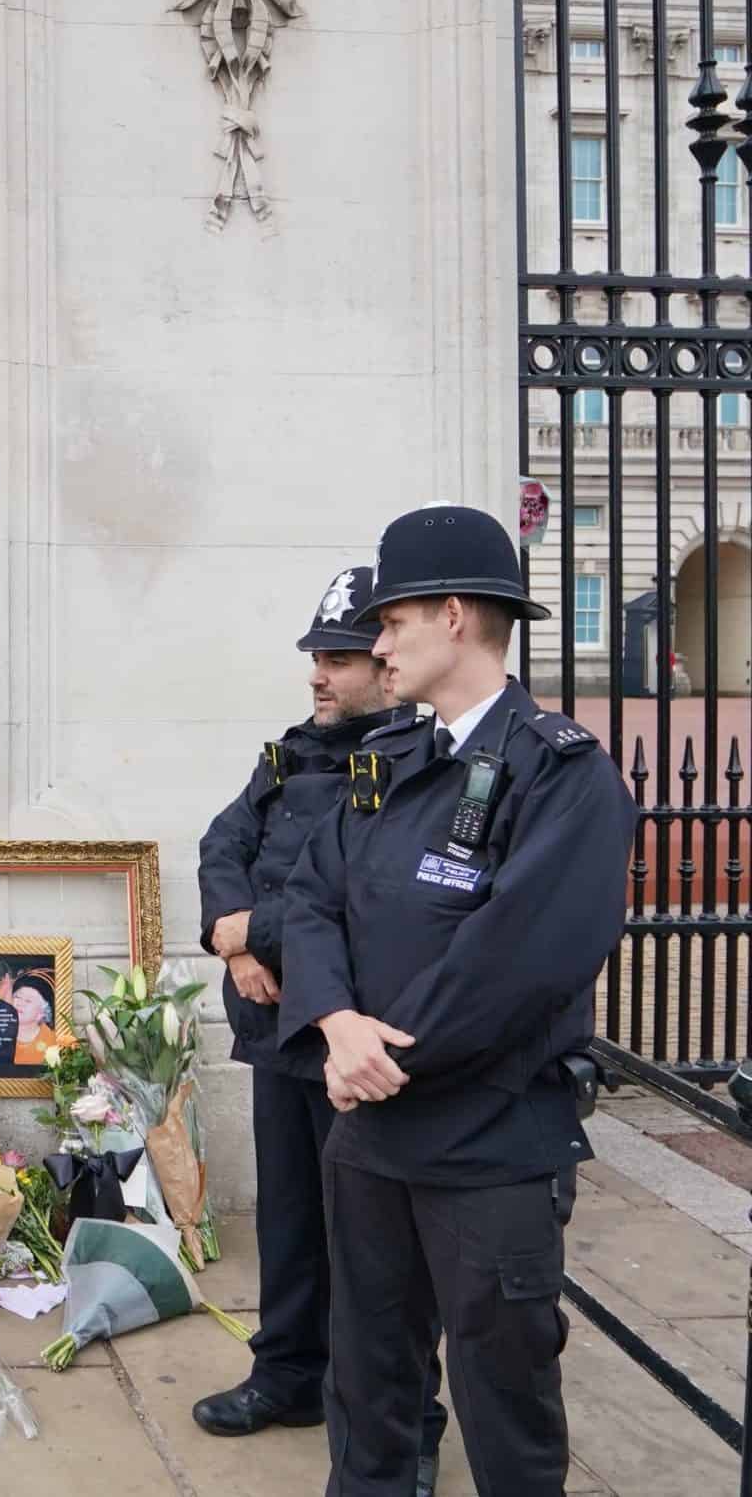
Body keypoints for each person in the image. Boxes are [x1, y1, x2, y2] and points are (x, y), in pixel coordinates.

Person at [279, 506, 636, 1497]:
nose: (374, 644)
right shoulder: (392, 756)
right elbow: (310, 895)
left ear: (450, 615)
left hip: (488, 1145)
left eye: (389, 622)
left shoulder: (564, 775)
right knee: (370, 1394)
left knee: (505, 1410)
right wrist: (334, 1021)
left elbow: (517, 961)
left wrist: (378, 1056)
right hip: (371, 1140)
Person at [190, 565, 447, 1490]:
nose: (319, 677)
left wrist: (249, 932)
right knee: (291, 1224)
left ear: (386, 662)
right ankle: (289, 1376)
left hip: (353, 1039)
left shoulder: (416, 760)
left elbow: (343, 887)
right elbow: (227, 843)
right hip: (276, 1034)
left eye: (338, 658)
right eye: (316, 658)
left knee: (383, 1252)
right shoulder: (293, 749)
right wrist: (234, 943)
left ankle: (407, 1421)